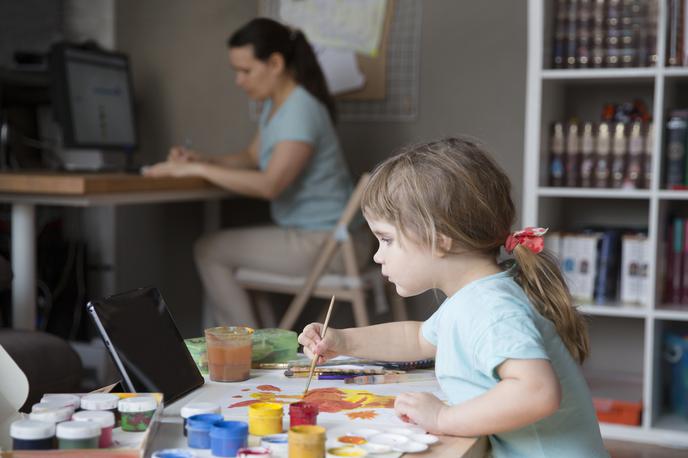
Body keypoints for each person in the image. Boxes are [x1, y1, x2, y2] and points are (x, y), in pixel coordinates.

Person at [299, 137, 608, 457]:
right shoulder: (476, 298)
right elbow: (417, 337)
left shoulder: (491, 308)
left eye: (387, 239)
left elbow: (537, 392)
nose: (378, 256)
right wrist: (343, 342)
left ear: (441, 240)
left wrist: (443, 417)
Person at [145, 18, 368, 328]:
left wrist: (197, 169)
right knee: (223, 253)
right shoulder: (276, 106)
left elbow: (270, 185)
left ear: (275, 63)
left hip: (330, 245)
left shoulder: (300, 110)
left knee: (209, 250)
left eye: (245, 71)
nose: (239, 80)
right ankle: (259, 343)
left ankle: (244, 348)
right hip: (319, 238)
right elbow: (252, 157)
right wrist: (201, 159)